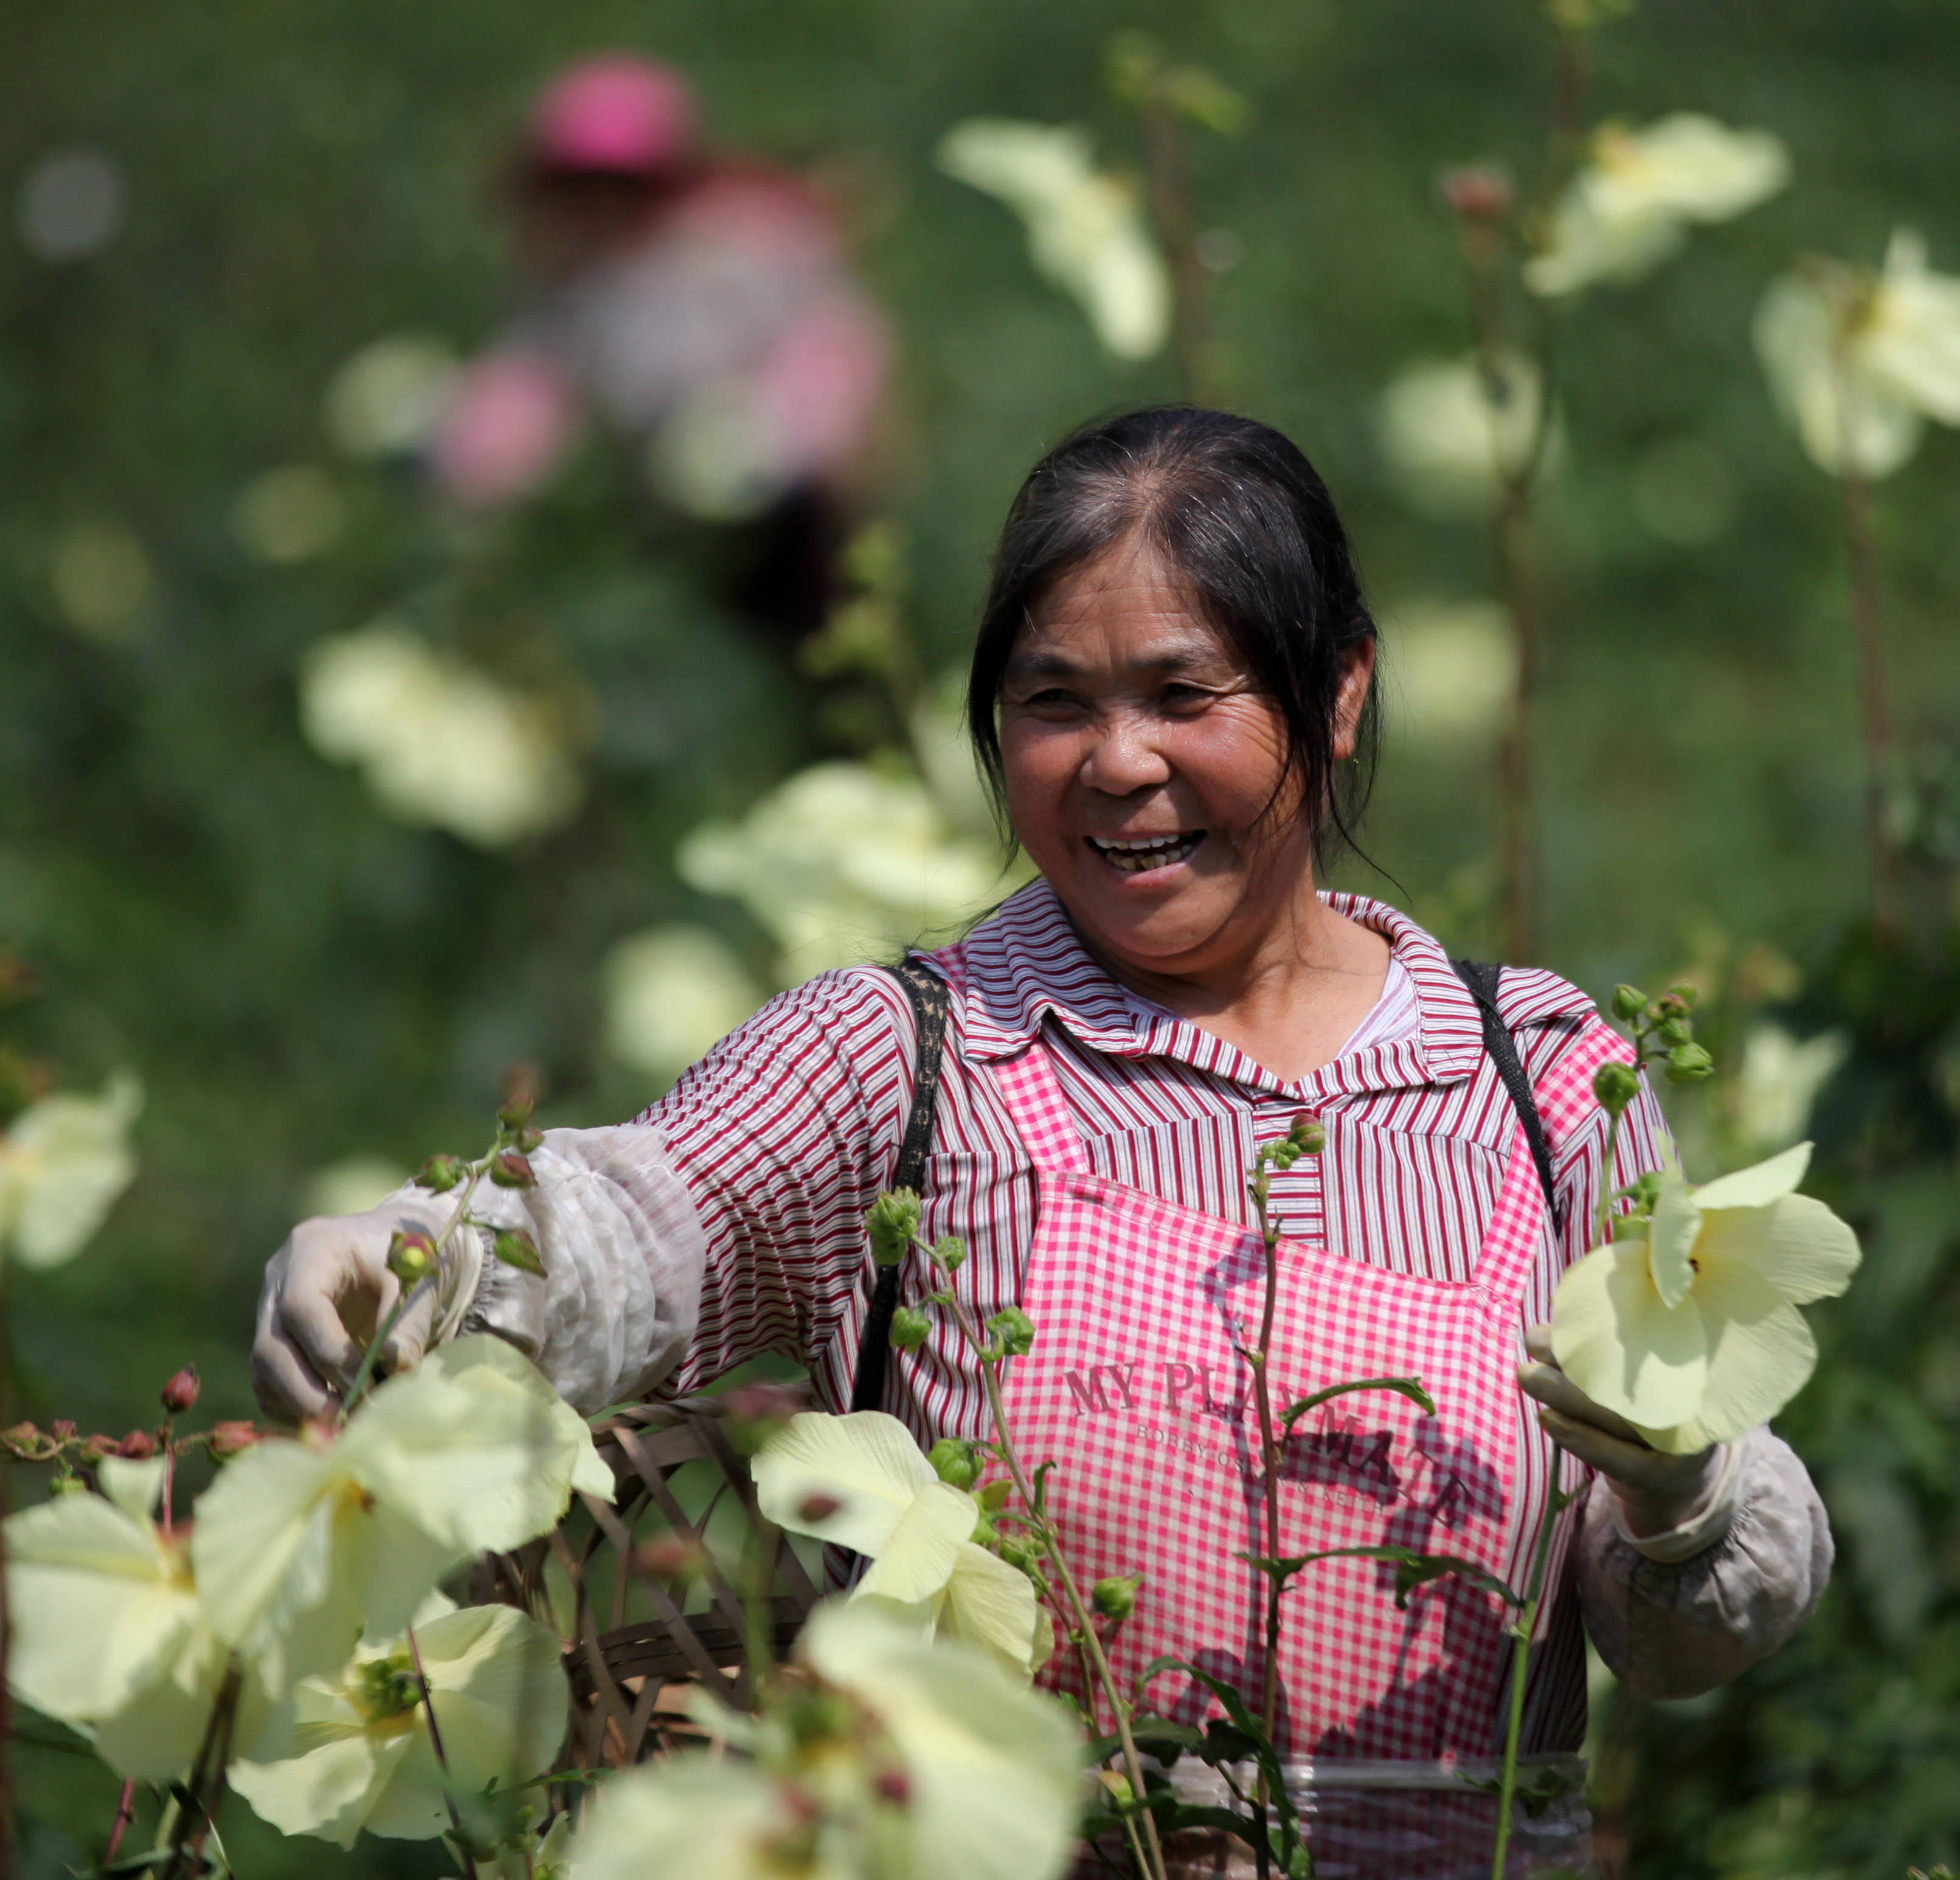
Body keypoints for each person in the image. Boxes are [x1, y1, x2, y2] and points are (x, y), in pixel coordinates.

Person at [255, 407, 1830, 1877]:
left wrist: (1675, 1496)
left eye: (1180, 692)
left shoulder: (1539, 1072)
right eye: (1050, 702)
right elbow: (632, 1221)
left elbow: (1685, 1635)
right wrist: (411, 1259)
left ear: (1336, 692)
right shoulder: (909, 1054)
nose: (1114, 762)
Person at [428, 52, 893, 634]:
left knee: (823, 625)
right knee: (706, 632)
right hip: (668, 504)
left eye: (623, 186)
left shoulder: (738, 254)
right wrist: (475, 462)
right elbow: (529, 382)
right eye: (579, 187)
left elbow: (827, 349)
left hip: (795, 502)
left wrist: (783, 431)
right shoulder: (568, 288)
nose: (601, 206)